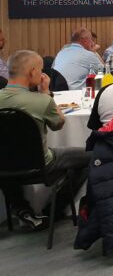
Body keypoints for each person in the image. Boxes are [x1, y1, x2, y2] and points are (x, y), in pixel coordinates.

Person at [0, 50, 90, 230]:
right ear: (33, 72)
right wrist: (46, 92)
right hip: (41, 163)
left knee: (9, 158)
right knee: (90, 156)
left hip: (3, 164)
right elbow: (59, 124)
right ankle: (53, 210)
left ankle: (21, 207)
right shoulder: (40, 101)